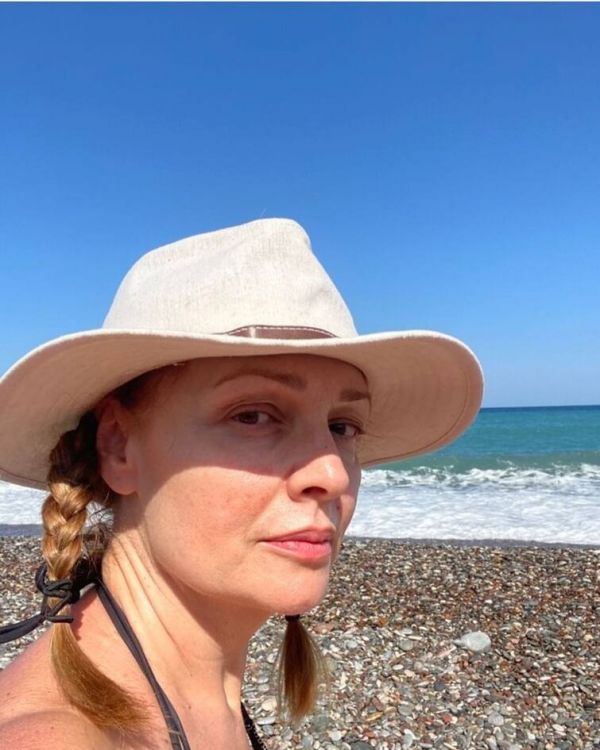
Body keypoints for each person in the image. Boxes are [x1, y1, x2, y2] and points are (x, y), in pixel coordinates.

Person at [0, 218, 483, 749]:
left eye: (343, 426)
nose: (332, 473)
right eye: (253, 415)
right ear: (118, 446)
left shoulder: (198, 688)